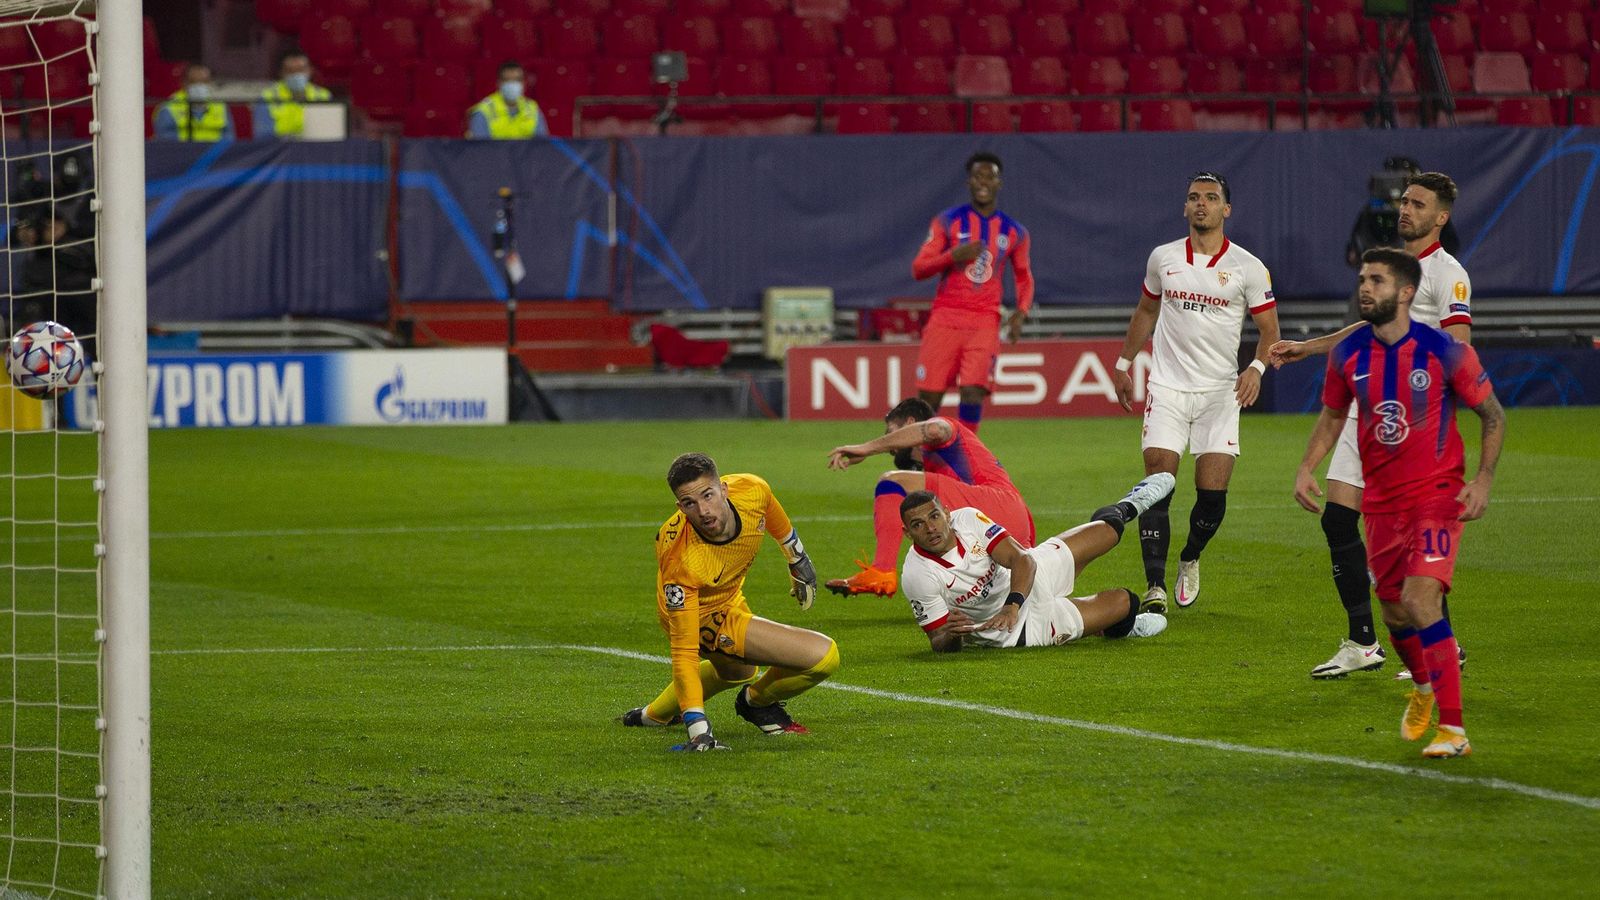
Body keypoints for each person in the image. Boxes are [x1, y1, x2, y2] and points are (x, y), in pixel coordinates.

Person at [1294, 248, 1504, 758]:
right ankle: (1426, 688)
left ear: (1406, 292)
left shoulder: (1445, 351)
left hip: (1436, 497)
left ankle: (1454, 731)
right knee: (1392, 607)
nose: (1365, 288)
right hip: (1382, 504)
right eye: (1363, 279)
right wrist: (1307, 466)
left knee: (1420, 598)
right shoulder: (1349, 354)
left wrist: (1481, 479)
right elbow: (1330, 415)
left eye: (1377, 280)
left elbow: (1492, 415)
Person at [1271, 173, 1473, 680]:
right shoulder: (1390, 267)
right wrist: (1311, 348)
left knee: (1407, 534)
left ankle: (1443, 643)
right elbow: (1370, 327)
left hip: (1412, 422)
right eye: (1405, 201)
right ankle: (1363, 641)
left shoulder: (1449, 274)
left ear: (1440, 218)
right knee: (1338, 521)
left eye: (1418, 204)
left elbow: (1461, 348)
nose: (1405, 210)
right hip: (1368, 409)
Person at [1109, 172, 1280, 613]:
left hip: (1220, 394)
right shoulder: (1163, 258)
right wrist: (1124, 363)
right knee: (1158, 485)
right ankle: (1155, 588)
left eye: (1210, 197)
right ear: (1184, 208)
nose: (1200, 204)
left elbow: (1270, 331)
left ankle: (1191, 556)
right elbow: (1147, 310)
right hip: (1167, 388)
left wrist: (1257, 368)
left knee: (1212, 497)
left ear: (1226, 209)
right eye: (1193, 198)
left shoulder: (1248, 267)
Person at [619, 453, 839, 751]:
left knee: (737, 672)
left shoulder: (750, 489)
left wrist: (796, 556)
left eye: (708, 495)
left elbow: (769, 505)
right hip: (699, 616)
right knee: (824, 656)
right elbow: (683, 652)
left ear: (724, 489)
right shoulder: (682, 560)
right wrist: (698, 728)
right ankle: (757, 704)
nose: (703, 510)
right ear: (680, 507)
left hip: (729, 596)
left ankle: (652, 716)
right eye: (690, 504)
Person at [898, 473, 1174, 653]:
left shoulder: (968, 518)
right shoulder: (916, 574)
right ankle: (1123, 627)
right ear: (908, 533)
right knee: (1126, 602)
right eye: (918, 524)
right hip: (1020, 631)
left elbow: (1022, 560)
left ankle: (1132, 503)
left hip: (1027, 581)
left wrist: (1012, 605)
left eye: (934, 516)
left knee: (1108, 531)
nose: (930, 528)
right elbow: (937, 640)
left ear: (947, 513)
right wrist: (953, 635)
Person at [824, 397, 1034, 597]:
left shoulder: (946, 427)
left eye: (891, 432)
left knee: (892, 482)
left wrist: (867, 448)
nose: (890, 449)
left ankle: (882, 571)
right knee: (928, 523)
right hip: (1013, 535)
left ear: (910, 423)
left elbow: (933, 430)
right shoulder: (936, 467)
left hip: (995, 503)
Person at [909, 151, 1034, 433]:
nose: (984, 182)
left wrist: (1021, 312)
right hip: (946, 317)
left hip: (984, 320)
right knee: (929, 398)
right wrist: (953, 255)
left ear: (999, 182)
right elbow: (918, 269)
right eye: (978, 176)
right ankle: (922, 463)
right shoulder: (947, 221)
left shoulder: (1015, 231)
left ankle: (964, 460)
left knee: (974, 392)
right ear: (969, 181)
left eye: (990, 176)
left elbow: (1024, 276)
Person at [255, 50, 332, 140]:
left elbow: (330, 133)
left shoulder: (323, 96)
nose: (296, 75)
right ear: (281, 73)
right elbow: (263, 136)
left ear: (310, 71)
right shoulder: (267, 97)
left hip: (315, 149)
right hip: (281, 150)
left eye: (301, 69)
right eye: (290, 71)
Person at [152, 63, 235, 142]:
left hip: (214, 155)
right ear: (184, 83)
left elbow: (228, 138)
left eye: (204, 81)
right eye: (194, 82)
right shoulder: (169, 108)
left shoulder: (220, 107)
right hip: (181, 154)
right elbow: (165, 141)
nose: (199, 86)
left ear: (210, 83)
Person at [467, 62, 548, 139]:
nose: (512, 84)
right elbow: (480, 149)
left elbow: (541, 146)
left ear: (523, 83)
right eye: (507, 80)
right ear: (499, 83)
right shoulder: (483, 111)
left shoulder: (532, 109)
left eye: (517, 79)